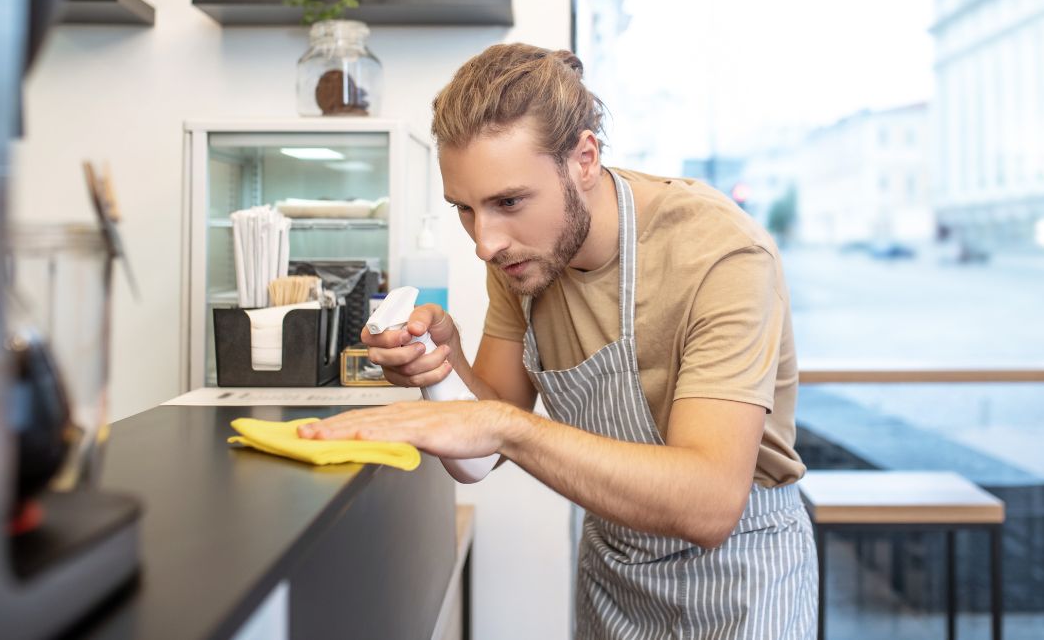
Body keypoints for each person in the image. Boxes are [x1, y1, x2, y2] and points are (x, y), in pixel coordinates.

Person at [300, 43, 818, 638]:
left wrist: (506, 427)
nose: (485, 243)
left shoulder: (718, 254)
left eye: (509, 202)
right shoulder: (521, 260)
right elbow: (479, 456)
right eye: (464, 209)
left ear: (585, 159)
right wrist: (439, 368)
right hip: (616, 578)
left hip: (744, 581)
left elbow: (708, 505)